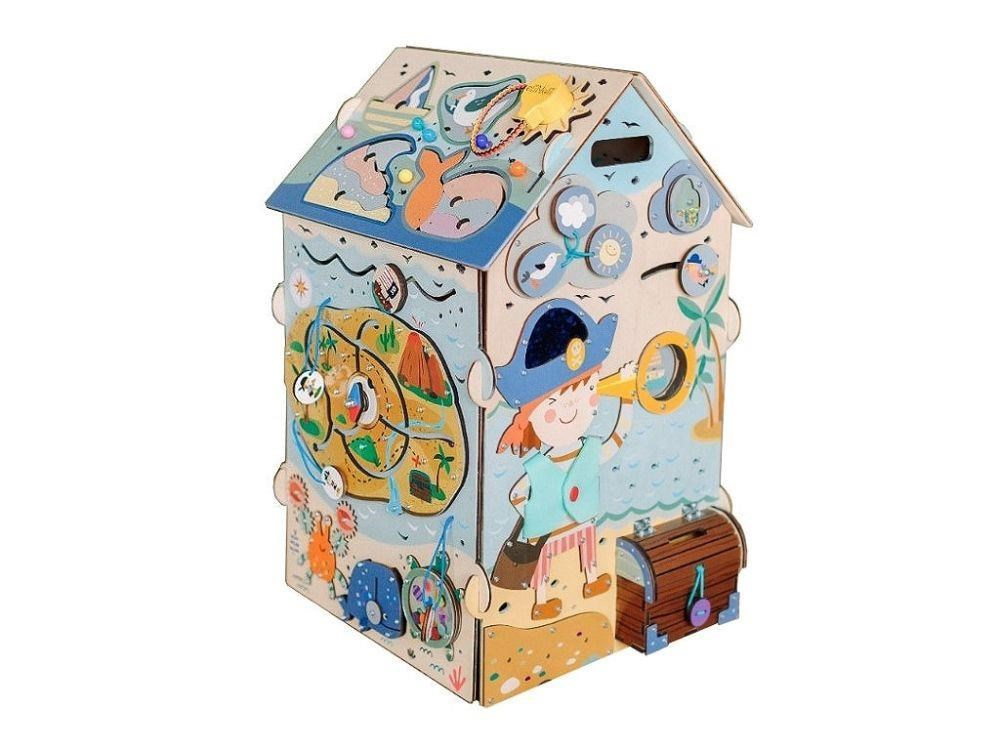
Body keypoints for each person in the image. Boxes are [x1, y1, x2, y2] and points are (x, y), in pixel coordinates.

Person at [493, 301, 633, 621]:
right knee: (543, 562)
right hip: (549, 529)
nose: (571, 410)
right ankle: (541, 600)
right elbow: (516, 494)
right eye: (554, 404)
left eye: (588, 392)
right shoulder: (538, 464)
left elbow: (617, 438)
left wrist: (627, 398)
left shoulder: (588, 449)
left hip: (580, 520)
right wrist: (534, 513)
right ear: (530, 416)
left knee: (588, 543)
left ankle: (591, 579)